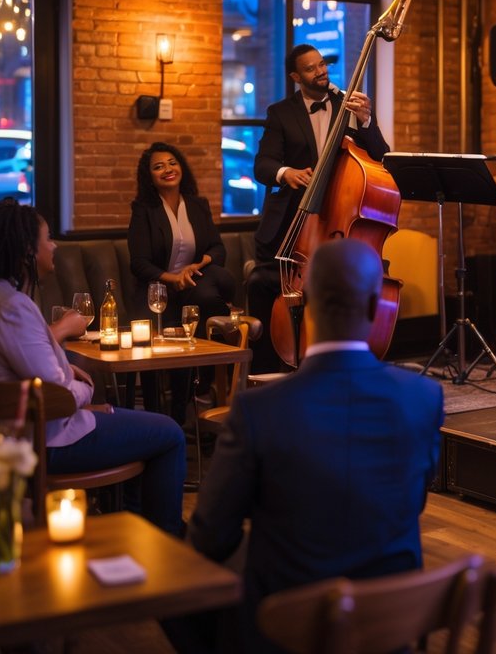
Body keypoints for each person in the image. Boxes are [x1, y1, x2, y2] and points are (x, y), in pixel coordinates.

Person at [187, 239, 443, 653]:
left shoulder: (257, 410)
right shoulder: (424, 397)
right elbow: (412, 503)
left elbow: (209, 537)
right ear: (376, 304)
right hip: (389, 627)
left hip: (286, 631)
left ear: (304, 302)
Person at [0, 198, 186, 535]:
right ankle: (166, 538)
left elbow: (44, 379)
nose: (54, 247)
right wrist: (87, 390)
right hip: (44, 443)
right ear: (27, 252)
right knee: (169, 433)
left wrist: (77, 392)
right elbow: (61, 394)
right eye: (48, 239)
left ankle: (136, 534)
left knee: (143, 427)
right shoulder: (13, 307)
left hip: (23, 431)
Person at [245, 44, 390, 373]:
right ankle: (265, 375)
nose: (320, 71)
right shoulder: (280, 113)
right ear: (297, 77)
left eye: (322, 64)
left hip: (339, 219)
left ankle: (341, 369)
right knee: (260, 285)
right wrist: (287, 173)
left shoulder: (350, 105)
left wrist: (366, 120)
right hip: (292, 226)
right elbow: (263, 165)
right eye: (310, 69)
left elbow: (380, 154)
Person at [128, 142, 235, 422]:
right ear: (149, 176)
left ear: (182, 168)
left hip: (193, 287)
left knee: (206, 298)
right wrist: (172, 278)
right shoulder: (144, 209)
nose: (167, 169)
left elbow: (217, 249)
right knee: (205, 306)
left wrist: (198, 265)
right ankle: (159, 416)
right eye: (158, 166)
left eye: (172, 163)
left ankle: (189, 405)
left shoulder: (197, 205)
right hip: (157, 292)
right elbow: (139, 263)